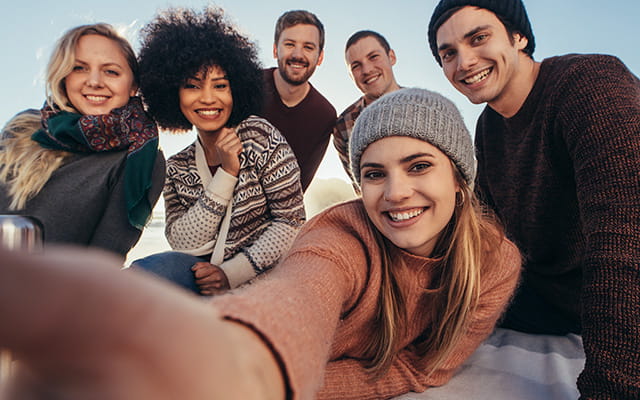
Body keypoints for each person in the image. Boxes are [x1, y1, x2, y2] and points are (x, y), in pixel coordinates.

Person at [0, 88, 520, 399]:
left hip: (245, 276)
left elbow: (288, 222)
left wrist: (236, 275)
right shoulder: (342, 237)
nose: (396, 191)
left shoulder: (495, 265)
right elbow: (303, 286)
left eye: (420, 166)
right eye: (374, 174)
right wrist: (243, 360)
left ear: (460, 178)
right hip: (233, 289)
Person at [428, 0, 640, 398]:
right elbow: (488, 239)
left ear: (519, 36)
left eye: (479, 38)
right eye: (449, 53)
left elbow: (626, 233)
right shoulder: (488, 129)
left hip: (610, 293)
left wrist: (611, 388)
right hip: (547, 296)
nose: (465, 61)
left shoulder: (590, 84)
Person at [130, 8, 305, 295]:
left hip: (265, 278)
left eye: (220, 85)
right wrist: (227, 173)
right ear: (174, 94)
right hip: (198, 276)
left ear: (235, 89)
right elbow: (182, 243)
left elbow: (291, 221)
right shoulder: (176, 166)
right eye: (192, 86)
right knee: (138, 277)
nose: (208, 98)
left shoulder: (260, 137)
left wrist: (230, 274)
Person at [0, 23, 165, 259]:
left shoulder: (140, 156)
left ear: (133, 86)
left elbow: (105, 261)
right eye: (79, 68)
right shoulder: (23, 127)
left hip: (54, 291)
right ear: (64, 77)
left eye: (111, 71)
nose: (94, 81)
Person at [260, 10, 336, 192]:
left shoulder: (324, 115)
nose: (297, 54)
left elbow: (298, 187)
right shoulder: (247, 85)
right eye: (289, 44)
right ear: (274, 50)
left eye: (308, 47)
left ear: (320, 57)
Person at [333, 30, 401, 188]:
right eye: (356, 66)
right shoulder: (344, 124)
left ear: (391, 57)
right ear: (351, 76)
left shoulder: (427, 107)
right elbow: (361, 188)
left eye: (373, 57)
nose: (367, 70)